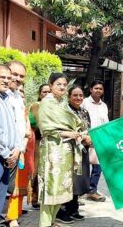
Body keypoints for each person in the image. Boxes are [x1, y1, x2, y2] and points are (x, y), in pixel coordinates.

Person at [38, 73, 84, 227]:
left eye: (65, 84)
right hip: (52, 150)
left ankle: (51, 221)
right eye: (59, 84)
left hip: (66, 151)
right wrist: (68, 133)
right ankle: (45, 223)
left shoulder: (63, 104)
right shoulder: (46, 103)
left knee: (61, 188)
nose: (63, 87)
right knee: (50, 188)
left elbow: (75, 124)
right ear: (50, 85)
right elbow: (46, 128)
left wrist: (77, 133)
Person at [0, 64, 21, 227]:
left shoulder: (6, 98)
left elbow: (13, 127)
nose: (6, 81)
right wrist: (7, 153)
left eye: (9, 78)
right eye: (2, 77)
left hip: (7, 158)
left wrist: (16, 148)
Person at [56, 86, 92, 223]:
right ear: (69, 96)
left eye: (80, 95)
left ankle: (73, 209)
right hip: (68, 150)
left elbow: (88, 128)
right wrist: (83, 137)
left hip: (82, 150)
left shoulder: (84, 111)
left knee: (78, 181)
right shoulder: (65, 111)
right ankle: (63, 211)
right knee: (68, 181)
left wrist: (89, 138)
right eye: (75, 95)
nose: (78, 98)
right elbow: (63, 131)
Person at [5, 61, 28, 227]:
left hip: (17, 150)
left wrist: (21, 146)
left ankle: (7, 218)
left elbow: (20, 124)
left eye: (22, 76)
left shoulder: (17, 97)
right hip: (2, 150)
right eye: (15, 74)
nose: (18, 78)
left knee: (9, 188)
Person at [82, 80, 109, 202]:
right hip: (85, 140)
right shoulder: (84, 103)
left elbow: (106, 124)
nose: (98, 90)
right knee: (83, 167)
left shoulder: (104, 106)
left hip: (99, 140)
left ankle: (92, 191)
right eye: (96, 88)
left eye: (101, 89)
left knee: (98, 167)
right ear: (91, 90)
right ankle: (79, 193)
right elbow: (81, 121)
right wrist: (86, 137)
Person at [28, 84, 50, 209]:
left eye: (48, 92)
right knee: (37, 168)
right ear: (39, 93)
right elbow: (35, 122)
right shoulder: (36, 105)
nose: (46, 94)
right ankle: (35, 197)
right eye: (44, 92)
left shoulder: (55, 105)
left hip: (52, 142)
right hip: (39, 141)